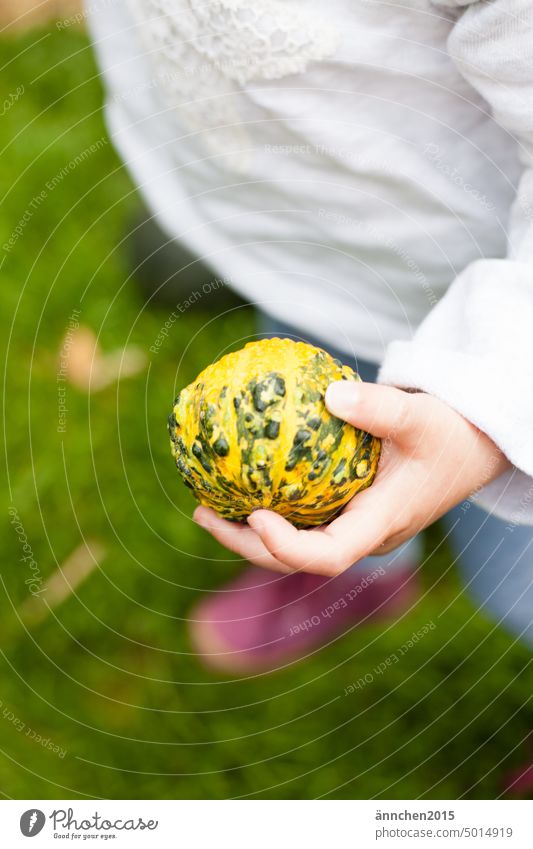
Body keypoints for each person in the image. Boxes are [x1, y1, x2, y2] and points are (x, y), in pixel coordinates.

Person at [86, 0, 533, 697]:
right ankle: (362, 575)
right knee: (316, 455)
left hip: (501, 308)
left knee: (518, 583)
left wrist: (484, 410)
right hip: (298, 256)